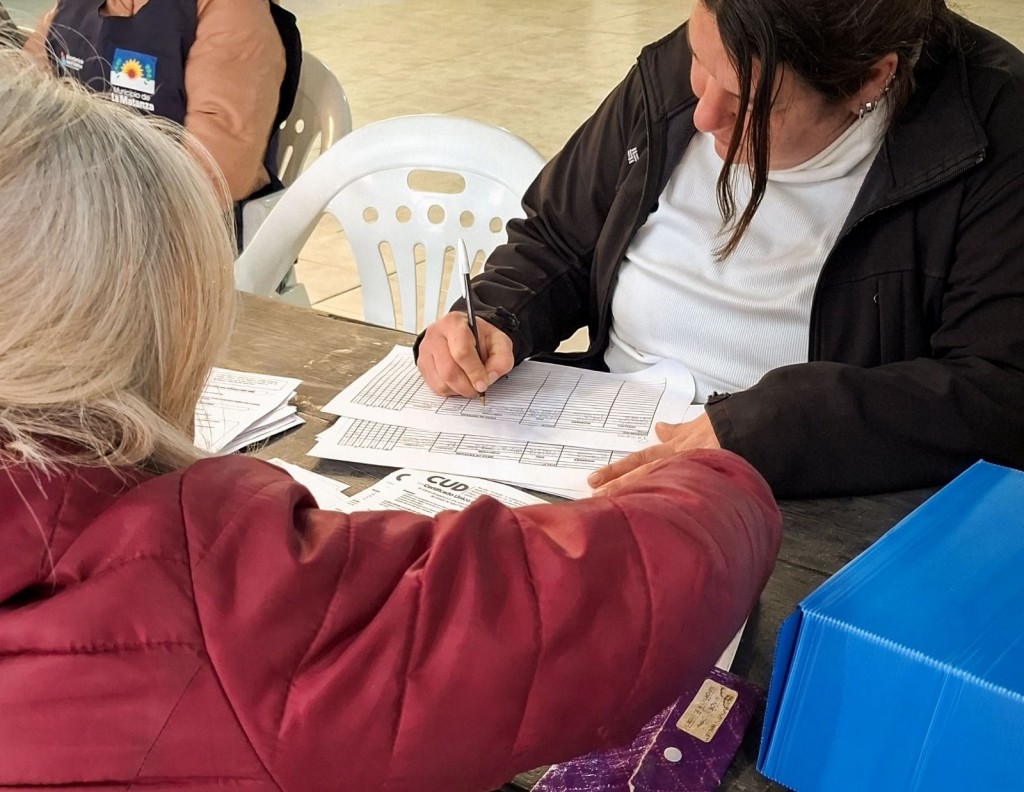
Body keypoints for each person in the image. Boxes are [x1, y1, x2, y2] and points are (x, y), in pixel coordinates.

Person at [0, 49, 781, 790]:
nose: (704, 106)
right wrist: (728, 472)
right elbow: (601, 598)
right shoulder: (204, 597)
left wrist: (500, 316)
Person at [416, 0, 1024, 499]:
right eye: (699, 61)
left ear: (870, 79)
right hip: (596, 447)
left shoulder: (994, 131)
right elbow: (557, 237)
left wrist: (773, 427)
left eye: (751, 104)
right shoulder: (681, 71)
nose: (705, 115)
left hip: (807, 492)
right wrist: (497, 314)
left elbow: (998, 392)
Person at [24, 0, 296, 205]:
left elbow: (214, 174)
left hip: (183, 233)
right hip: (78, 205)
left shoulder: (232, 12)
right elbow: (25, 93)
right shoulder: (70, 8)